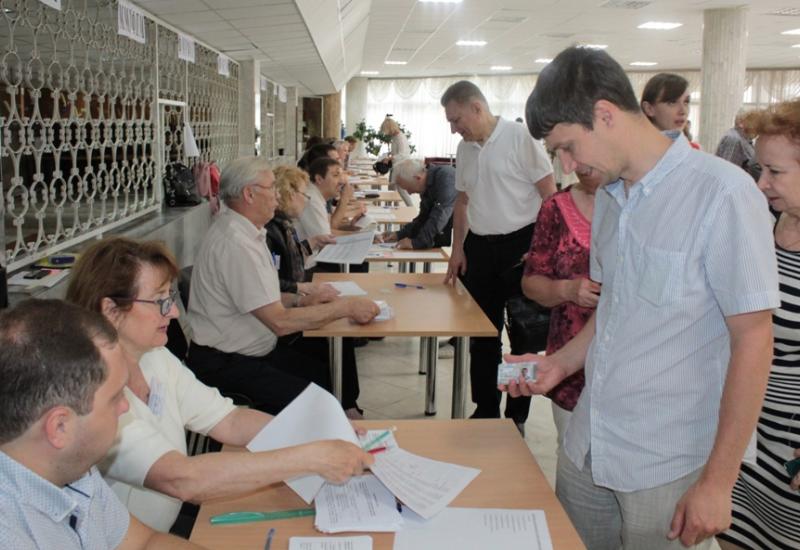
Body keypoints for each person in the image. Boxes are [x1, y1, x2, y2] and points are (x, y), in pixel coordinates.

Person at [505, 46, 778, 550]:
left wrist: (718, 483)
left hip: (667, 459)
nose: (567, 164)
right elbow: (614, 309)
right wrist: (561, 364)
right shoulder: (612, 197)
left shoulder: (722, 194)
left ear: (604, 115)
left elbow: (755, 342)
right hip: (590, 441)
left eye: (567, 146)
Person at [65, 236, 374, 531]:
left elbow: (230, 420)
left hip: (165, 527)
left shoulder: (154, 357)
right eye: (159, 301)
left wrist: (317, 434)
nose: (173, 312)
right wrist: (312, 456)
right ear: (111, 311)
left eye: (170, 298)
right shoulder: (91, 394)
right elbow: (181, 479)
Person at [0, 299, 203, 549]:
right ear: (60, 427)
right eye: (115, 396)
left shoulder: (71, 468)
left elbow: (143, 542)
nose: (125, 406)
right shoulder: (10, 534)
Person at [186, 157, 379, 414]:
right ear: (249, 194)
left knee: (325, 368)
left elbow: (264, 296)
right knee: (318, 402)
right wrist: (346, 307)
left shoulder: (247, 232)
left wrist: (300, 300)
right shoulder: (235, 242)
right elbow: (279, 322)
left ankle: (343, 418)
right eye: (272, 188)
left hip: (249, 349)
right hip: (228, 362)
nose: (278, 196)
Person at [440, 79, 556, 420]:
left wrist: (541, 250)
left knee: (523, 339)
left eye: (456, 119)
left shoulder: (520, 138)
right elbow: (462, 202)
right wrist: (457, 249)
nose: (453, 128)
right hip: (479, 249)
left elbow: (550, 197)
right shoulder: (465, 149)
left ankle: (516, 415)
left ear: (477, 108)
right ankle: (486, 409)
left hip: (522, 246)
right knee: (482, 336)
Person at [717, 99, 800, 550]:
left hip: (791, 447)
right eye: (759, 168)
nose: (761, 182)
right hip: (742, 434)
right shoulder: (762, 221)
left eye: (775, 172)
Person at [267, 165, 364, 417]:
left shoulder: (284, 225)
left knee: (341, 332)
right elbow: (276, 280)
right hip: (281, 315)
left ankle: (347, 402)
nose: (306, 199)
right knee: (336, 335)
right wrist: (304, 290)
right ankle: (344, 405)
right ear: (286, 194)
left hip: (295, 299)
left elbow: (291, 258)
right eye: (302, 193)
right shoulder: (270, 231)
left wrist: (311, 244)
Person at [521, 166, 603, 447]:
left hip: (628, 371)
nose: (581, 167)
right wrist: (567, 289)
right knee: (572, 453)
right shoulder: (556, 207)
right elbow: (530, 282)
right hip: (569, 365)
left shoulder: (638, 204)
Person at [380, 158, 457, 249]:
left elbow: (439, 215)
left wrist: (416, 243)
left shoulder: (446, 177)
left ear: (418, 178)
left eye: (408, 188)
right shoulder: (426, 184)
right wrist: (399, 234)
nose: (409, 193)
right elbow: (423, 218)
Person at [295, 157, 365, 242]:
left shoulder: (317, 196)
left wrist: (351, 228)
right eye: (336, 175)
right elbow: (326, 239)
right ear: (319, 179)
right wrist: (365, 237)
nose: (342, 181)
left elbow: (328, 229)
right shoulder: (312, 200)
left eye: (341, 175)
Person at [640, 73, 700, 149]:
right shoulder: (631, 152)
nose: (683, 111)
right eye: (672, 102)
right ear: (649, 108)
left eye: (686, 102)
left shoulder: (694, 151)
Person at [715, 109, 760, 180]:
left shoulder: (744, 139)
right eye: (755, 122)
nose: (758, 127)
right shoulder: (734, 140)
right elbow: (728, 172)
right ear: (741, 123)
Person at [379, 116, 414, 205]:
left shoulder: (400, 137)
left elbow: (402, 154)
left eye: (386, 130)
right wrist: (390, 153)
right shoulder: (395, 137)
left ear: (390, 128)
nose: (387, 133)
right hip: (396, 165)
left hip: (402, 166)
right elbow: (397, 151)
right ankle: (389, 207)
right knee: (391, 188)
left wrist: (390, 158)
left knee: (401, 190)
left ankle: (412, 208)